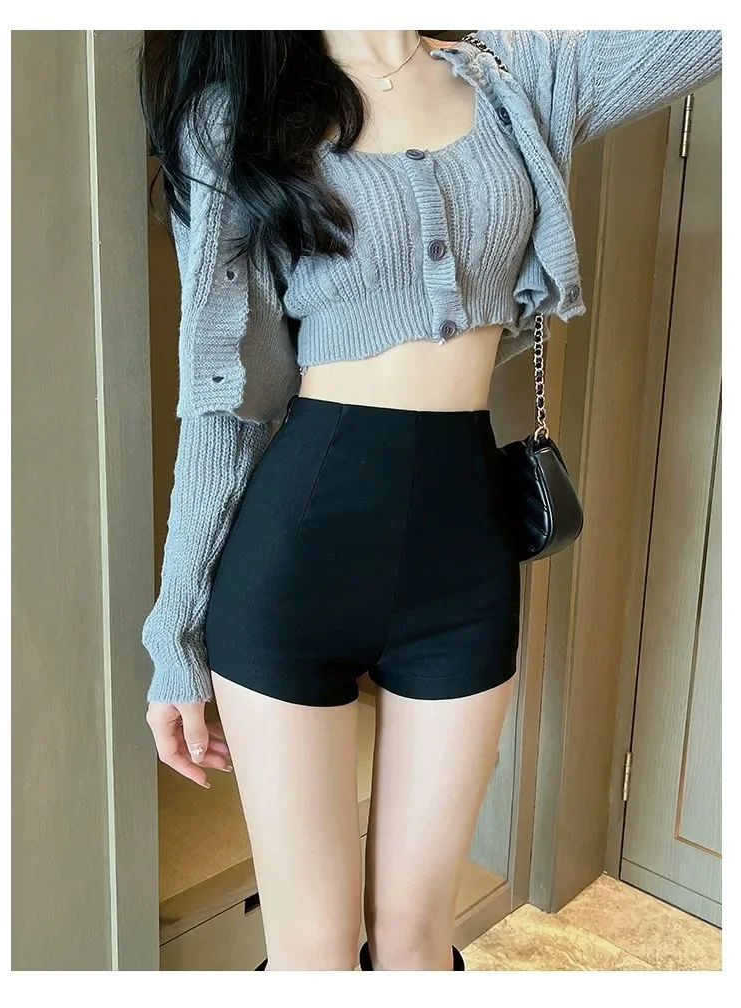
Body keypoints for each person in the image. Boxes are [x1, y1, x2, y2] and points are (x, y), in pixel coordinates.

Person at [138, 30, 722, 971]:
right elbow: (219, 406)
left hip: (464, 562)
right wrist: (175, 637)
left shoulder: (521, 76)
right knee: (315, 954)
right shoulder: (236, 110)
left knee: (415, 943)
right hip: (294, 559)